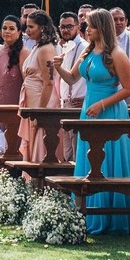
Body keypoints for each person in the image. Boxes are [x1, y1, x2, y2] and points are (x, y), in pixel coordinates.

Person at [53, 8, 130, 236]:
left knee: (110, 160)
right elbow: (72, 78)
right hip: (89, 110)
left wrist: (102, 104)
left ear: (102, 27)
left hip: (110, 111)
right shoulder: (87, 51)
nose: (87, 30)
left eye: (91, 26)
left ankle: (114, 216)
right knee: (88, 159)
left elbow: (128, 88)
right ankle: (88, 212)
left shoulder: (116, 54)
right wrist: (58, 68)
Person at [17, 10, 58, 163]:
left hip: (42, 100)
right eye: (26, 26)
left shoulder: (46, 49)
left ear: (42, 27)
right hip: (32, 99)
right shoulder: (37, 47)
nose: (27, 30)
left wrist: (41, 111)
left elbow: (49, 82)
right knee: (33, 136)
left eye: (31, 27)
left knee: (41, 135)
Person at [56, 12, 87, 161]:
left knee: (77, 151)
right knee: (67, 153)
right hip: (65, 103)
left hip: (78, 102)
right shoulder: (62, 46)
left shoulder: (84, 47)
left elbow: (77, 78)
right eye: (62, 27)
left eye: (69, 26)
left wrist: (85, 98)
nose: (65, 30)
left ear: (78, 26)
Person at [112, 7, 130, 105]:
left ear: (126, 21)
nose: (119, 22)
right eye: (115, 19)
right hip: (110, 92)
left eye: (121, 19)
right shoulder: (104, 41)